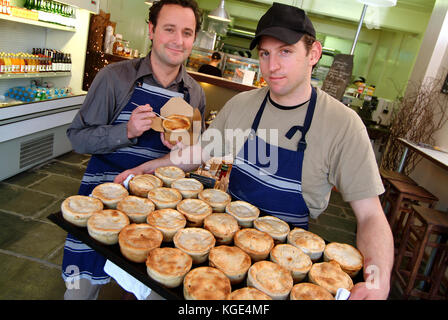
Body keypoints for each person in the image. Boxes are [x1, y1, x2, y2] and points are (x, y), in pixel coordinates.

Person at [115, 3, 394, 300]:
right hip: (224, 246)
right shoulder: (242, 105)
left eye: (285, 51)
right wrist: (143, 170)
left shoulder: (343, 125)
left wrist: (377, 279)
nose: (272, 66)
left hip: (288, 268)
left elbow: (370, 216)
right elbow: (196, 154)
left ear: (313, 54)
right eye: (265, 53)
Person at [62, 0, 205, 300]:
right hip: (102, 200)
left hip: (158, 212)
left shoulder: (194, 94)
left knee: (150, 289)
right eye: (169, 29)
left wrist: (181, 151)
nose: (179, 40)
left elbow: (192, 162)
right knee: (79, 290)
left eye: (187, 32)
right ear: (151, 30)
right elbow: (77, 138)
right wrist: (125, 131)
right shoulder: (114, 78)